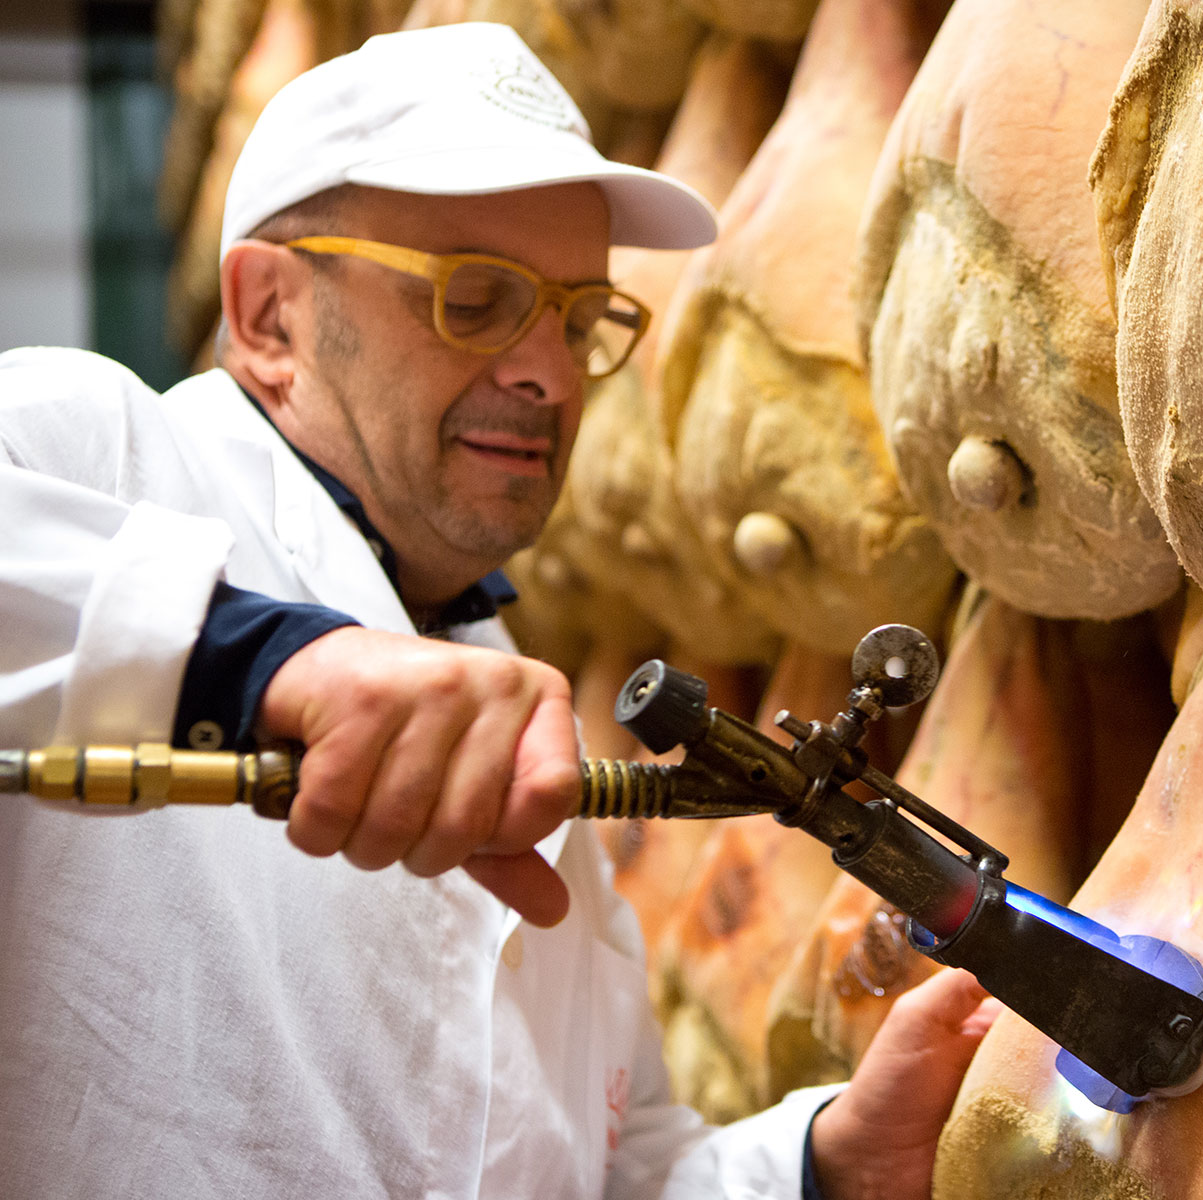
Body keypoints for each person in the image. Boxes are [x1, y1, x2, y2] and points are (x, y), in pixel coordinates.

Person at [0, 23, 997, 1200]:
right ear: (270, 315)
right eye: (476, 299)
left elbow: (608, 1173)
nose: (551, 375)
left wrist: (823, 1162)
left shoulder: (528, 735)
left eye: (579, 322)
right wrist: (266, 662)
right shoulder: (93, 447)